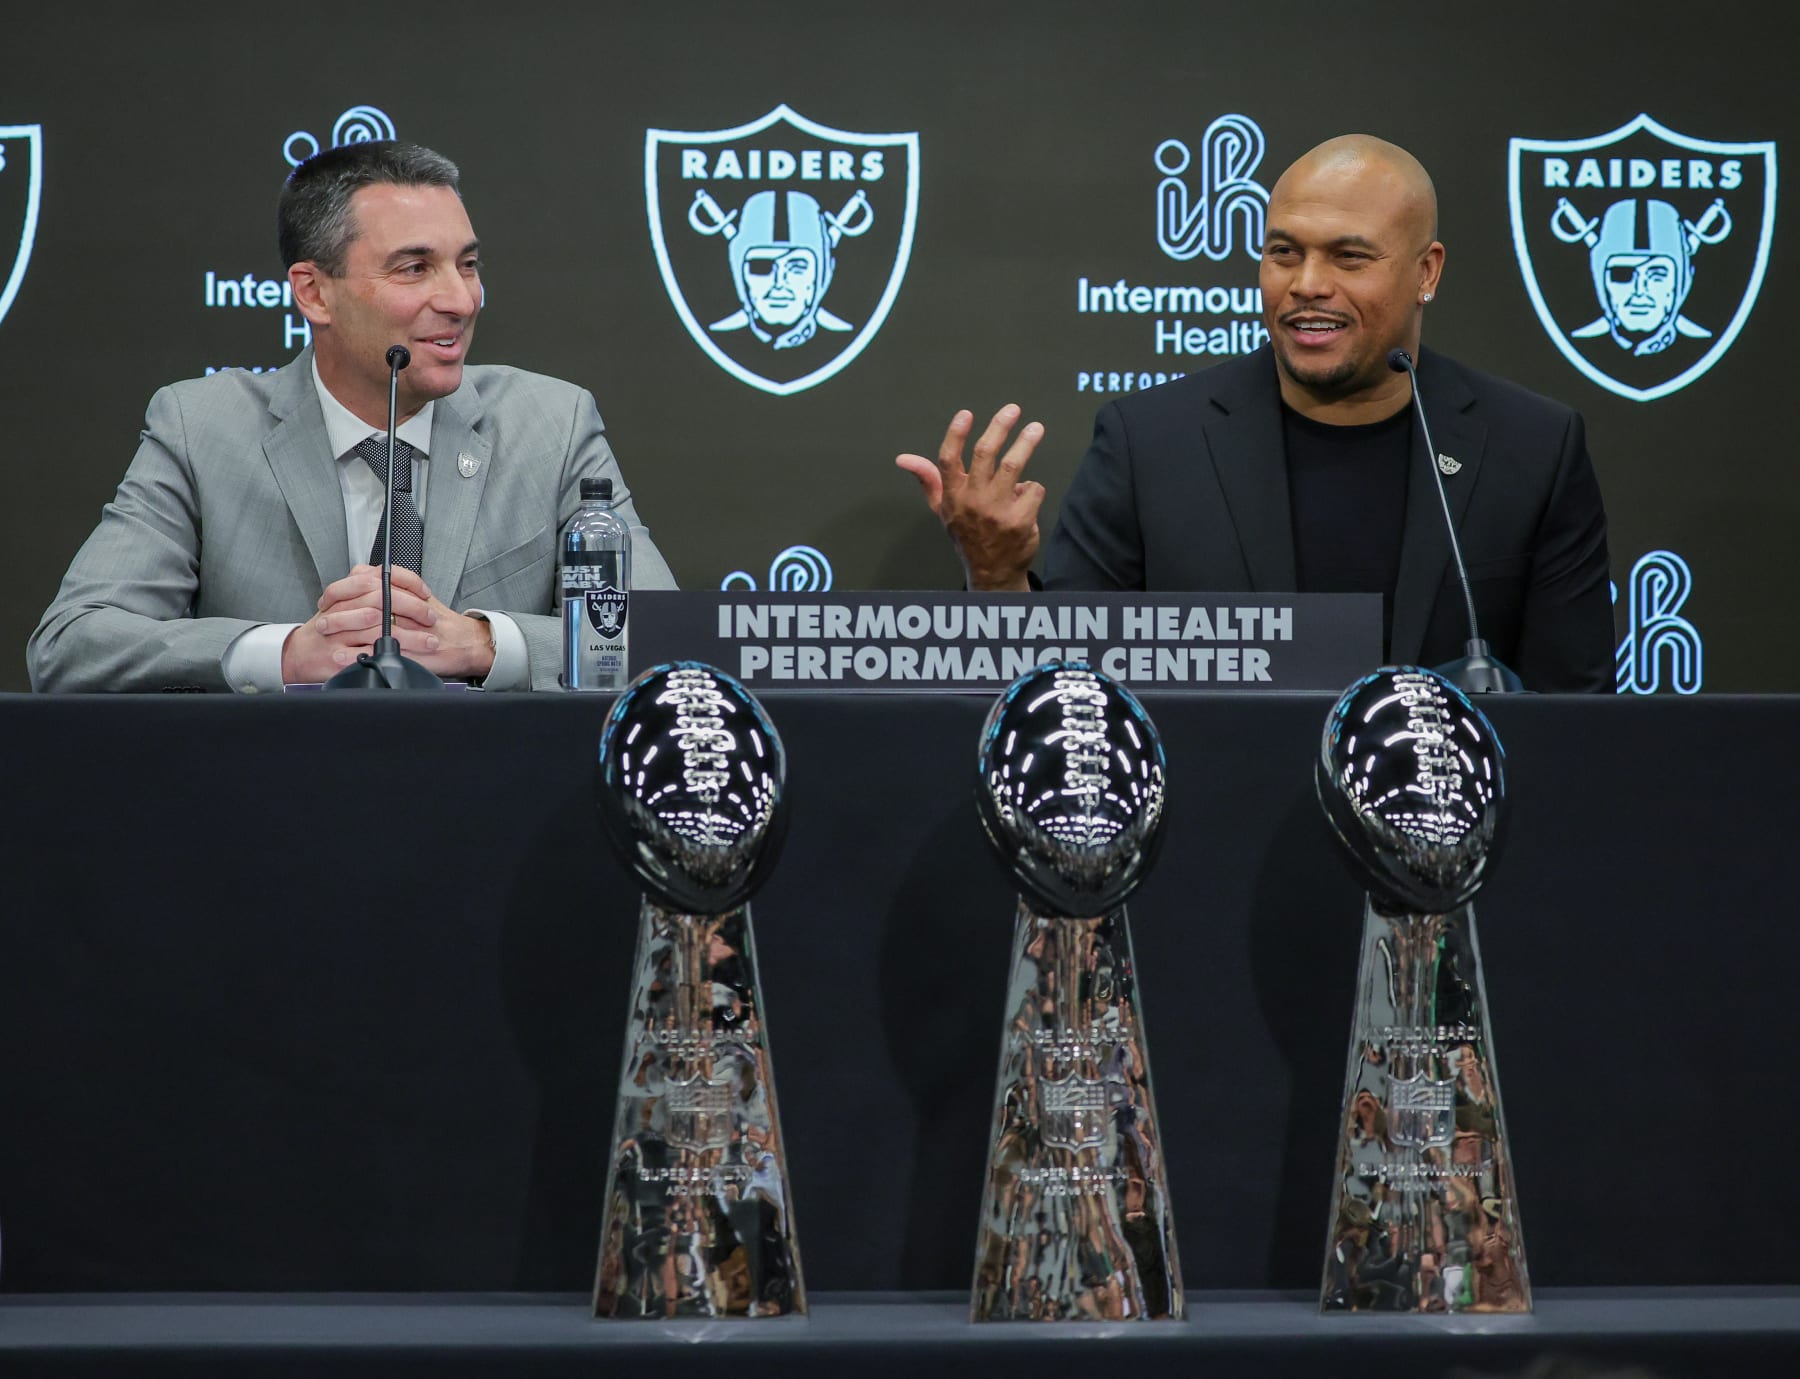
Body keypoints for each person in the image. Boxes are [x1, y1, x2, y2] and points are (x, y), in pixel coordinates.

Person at [897, 134, 1615, 692]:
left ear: (1425, 271)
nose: (1307, 285)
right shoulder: (1150, 444)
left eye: (1348, 257)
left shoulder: (1533, 448)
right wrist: (995, 579)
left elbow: (1577, 724)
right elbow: (1068, 702)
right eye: (1283, 252)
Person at [29, 140, 675, 693]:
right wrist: (285, 653)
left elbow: (670, 644)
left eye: (468, 265)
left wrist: (483, 642)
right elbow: (71, 643)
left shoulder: (552, 426)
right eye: (415, 267)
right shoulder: (201, 430)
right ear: (314, 292)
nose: (461, 299)